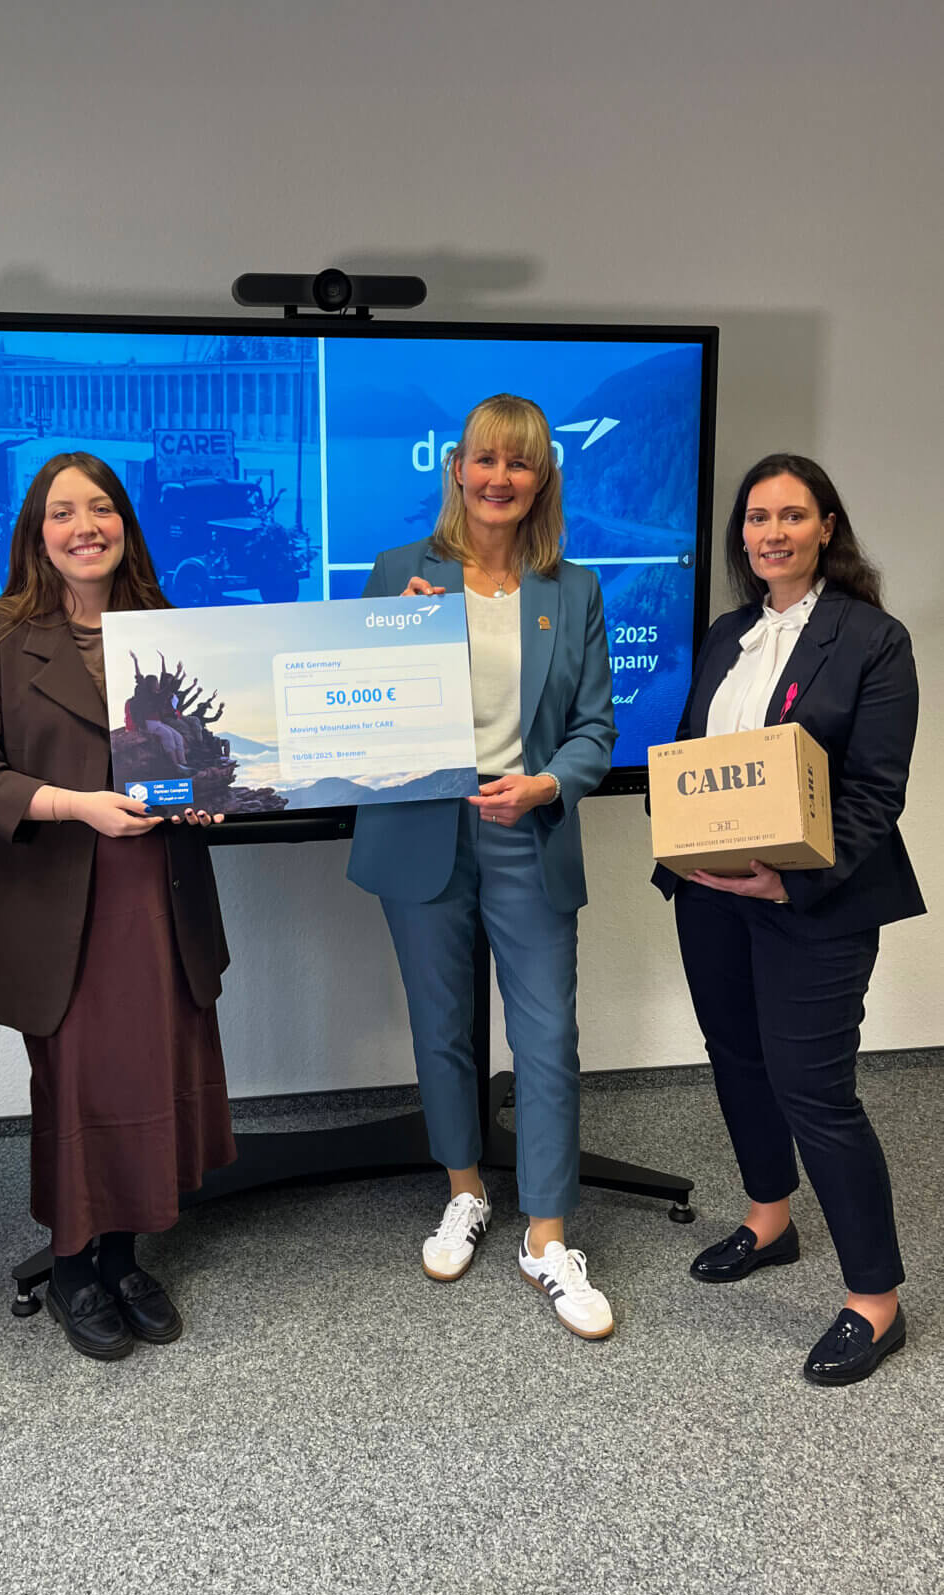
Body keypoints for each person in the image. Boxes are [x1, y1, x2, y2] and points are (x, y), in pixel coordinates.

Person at [0, 451, 234, 1363]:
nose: (84, 526)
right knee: (75, 1083)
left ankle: (127, 1253)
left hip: (160, 892)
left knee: (151, 1072)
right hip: (61, 895)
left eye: (100, 508)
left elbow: (205, 753)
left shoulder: (166, 625)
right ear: (37, 532)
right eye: (63, 512)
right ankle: (71, 1266)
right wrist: (75, 805)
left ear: (125, 525)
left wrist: (216, 785)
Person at [347, 394, 618, 1340]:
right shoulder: (398, 573)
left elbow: (596, 730)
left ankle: (547, 1235)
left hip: (527, 830)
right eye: (485, 460)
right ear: (457, 467)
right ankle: (464, 1188)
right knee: (441, 1027)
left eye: (522, 463)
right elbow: (348, 699)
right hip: (424, 827)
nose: (500, 478)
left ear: (542, 480)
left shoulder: (572, 589)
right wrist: (392, 629)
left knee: (547, 1037)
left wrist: (548, 784)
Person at [653, 452, 924, 1385]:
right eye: (757, 518)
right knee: (737, 1056)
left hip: (818, 900)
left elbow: (875, 793)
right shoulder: (727, 632)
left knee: (816, 1089)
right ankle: (771, 1216)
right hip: (711, 894)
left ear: (827, 529)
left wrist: (789, 882)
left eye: (792, 516)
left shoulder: (874, 639)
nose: (771, 533)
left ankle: (875, 1300)